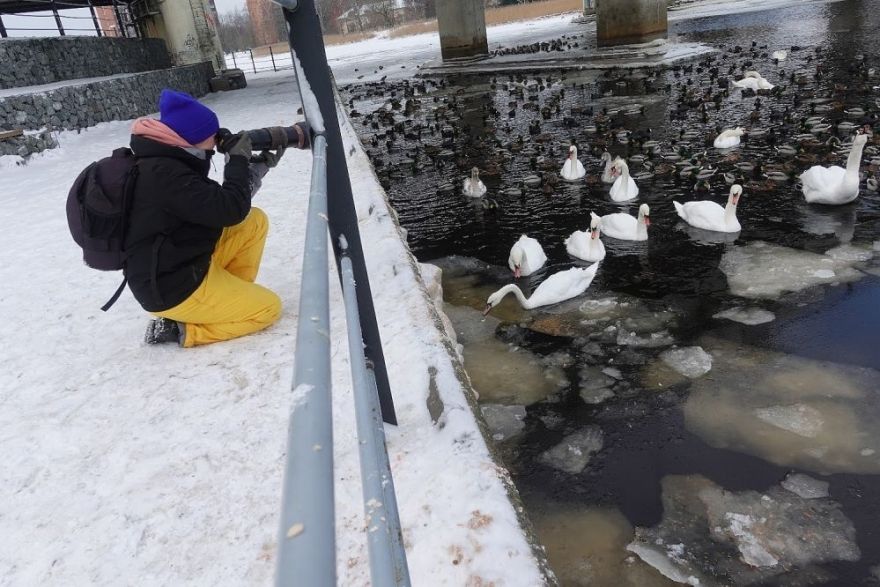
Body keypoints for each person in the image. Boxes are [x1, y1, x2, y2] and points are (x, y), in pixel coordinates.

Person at [124, 89, 309, 347]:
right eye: (212, 136)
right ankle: (183, 330)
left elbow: (217, 207)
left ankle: (229, 298)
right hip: (172, 288)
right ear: (192, 138)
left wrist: (255, 168)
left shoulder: (165, 158)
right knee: (268, 309)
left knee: (253, 221)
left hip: (178, 263)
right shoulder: (166, 175)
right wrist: (237, 161)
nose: (215, 142)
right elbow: (229, 209)